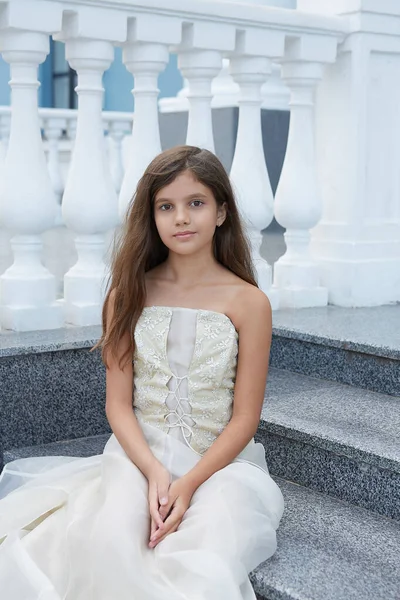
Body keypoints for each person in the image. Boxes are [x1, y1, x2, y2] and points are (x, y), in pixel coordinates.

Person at [0, 145, 284, 599]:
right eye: (166, 207)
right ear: (151, 217)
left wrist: (187, 484)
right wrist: (153, 471)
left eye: (196, 203)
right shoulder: (127, 294)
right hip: (139, 454)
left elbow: (245, 419)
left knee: (200, 557)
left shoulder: (249, 303)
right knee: (107, 538)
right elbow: (118, 404)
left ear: (221, 212)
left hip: (219, 466)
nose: (182, 218)